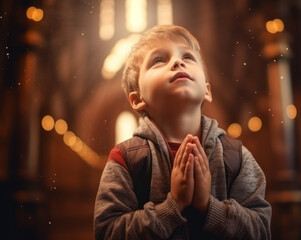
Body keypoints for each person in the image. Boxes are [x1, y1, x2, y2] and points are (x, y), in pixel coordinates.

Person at [94, 25, 271, 239]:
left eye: (187, 56)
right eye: (158, 60)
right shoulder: (126, 160)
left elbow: (261, 230)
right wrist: (172, 207)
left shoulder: (235, 157)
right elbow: (107, 232)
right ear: (137, 99)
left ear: (207, 90)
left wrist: (209, 207)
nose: (177, 62)